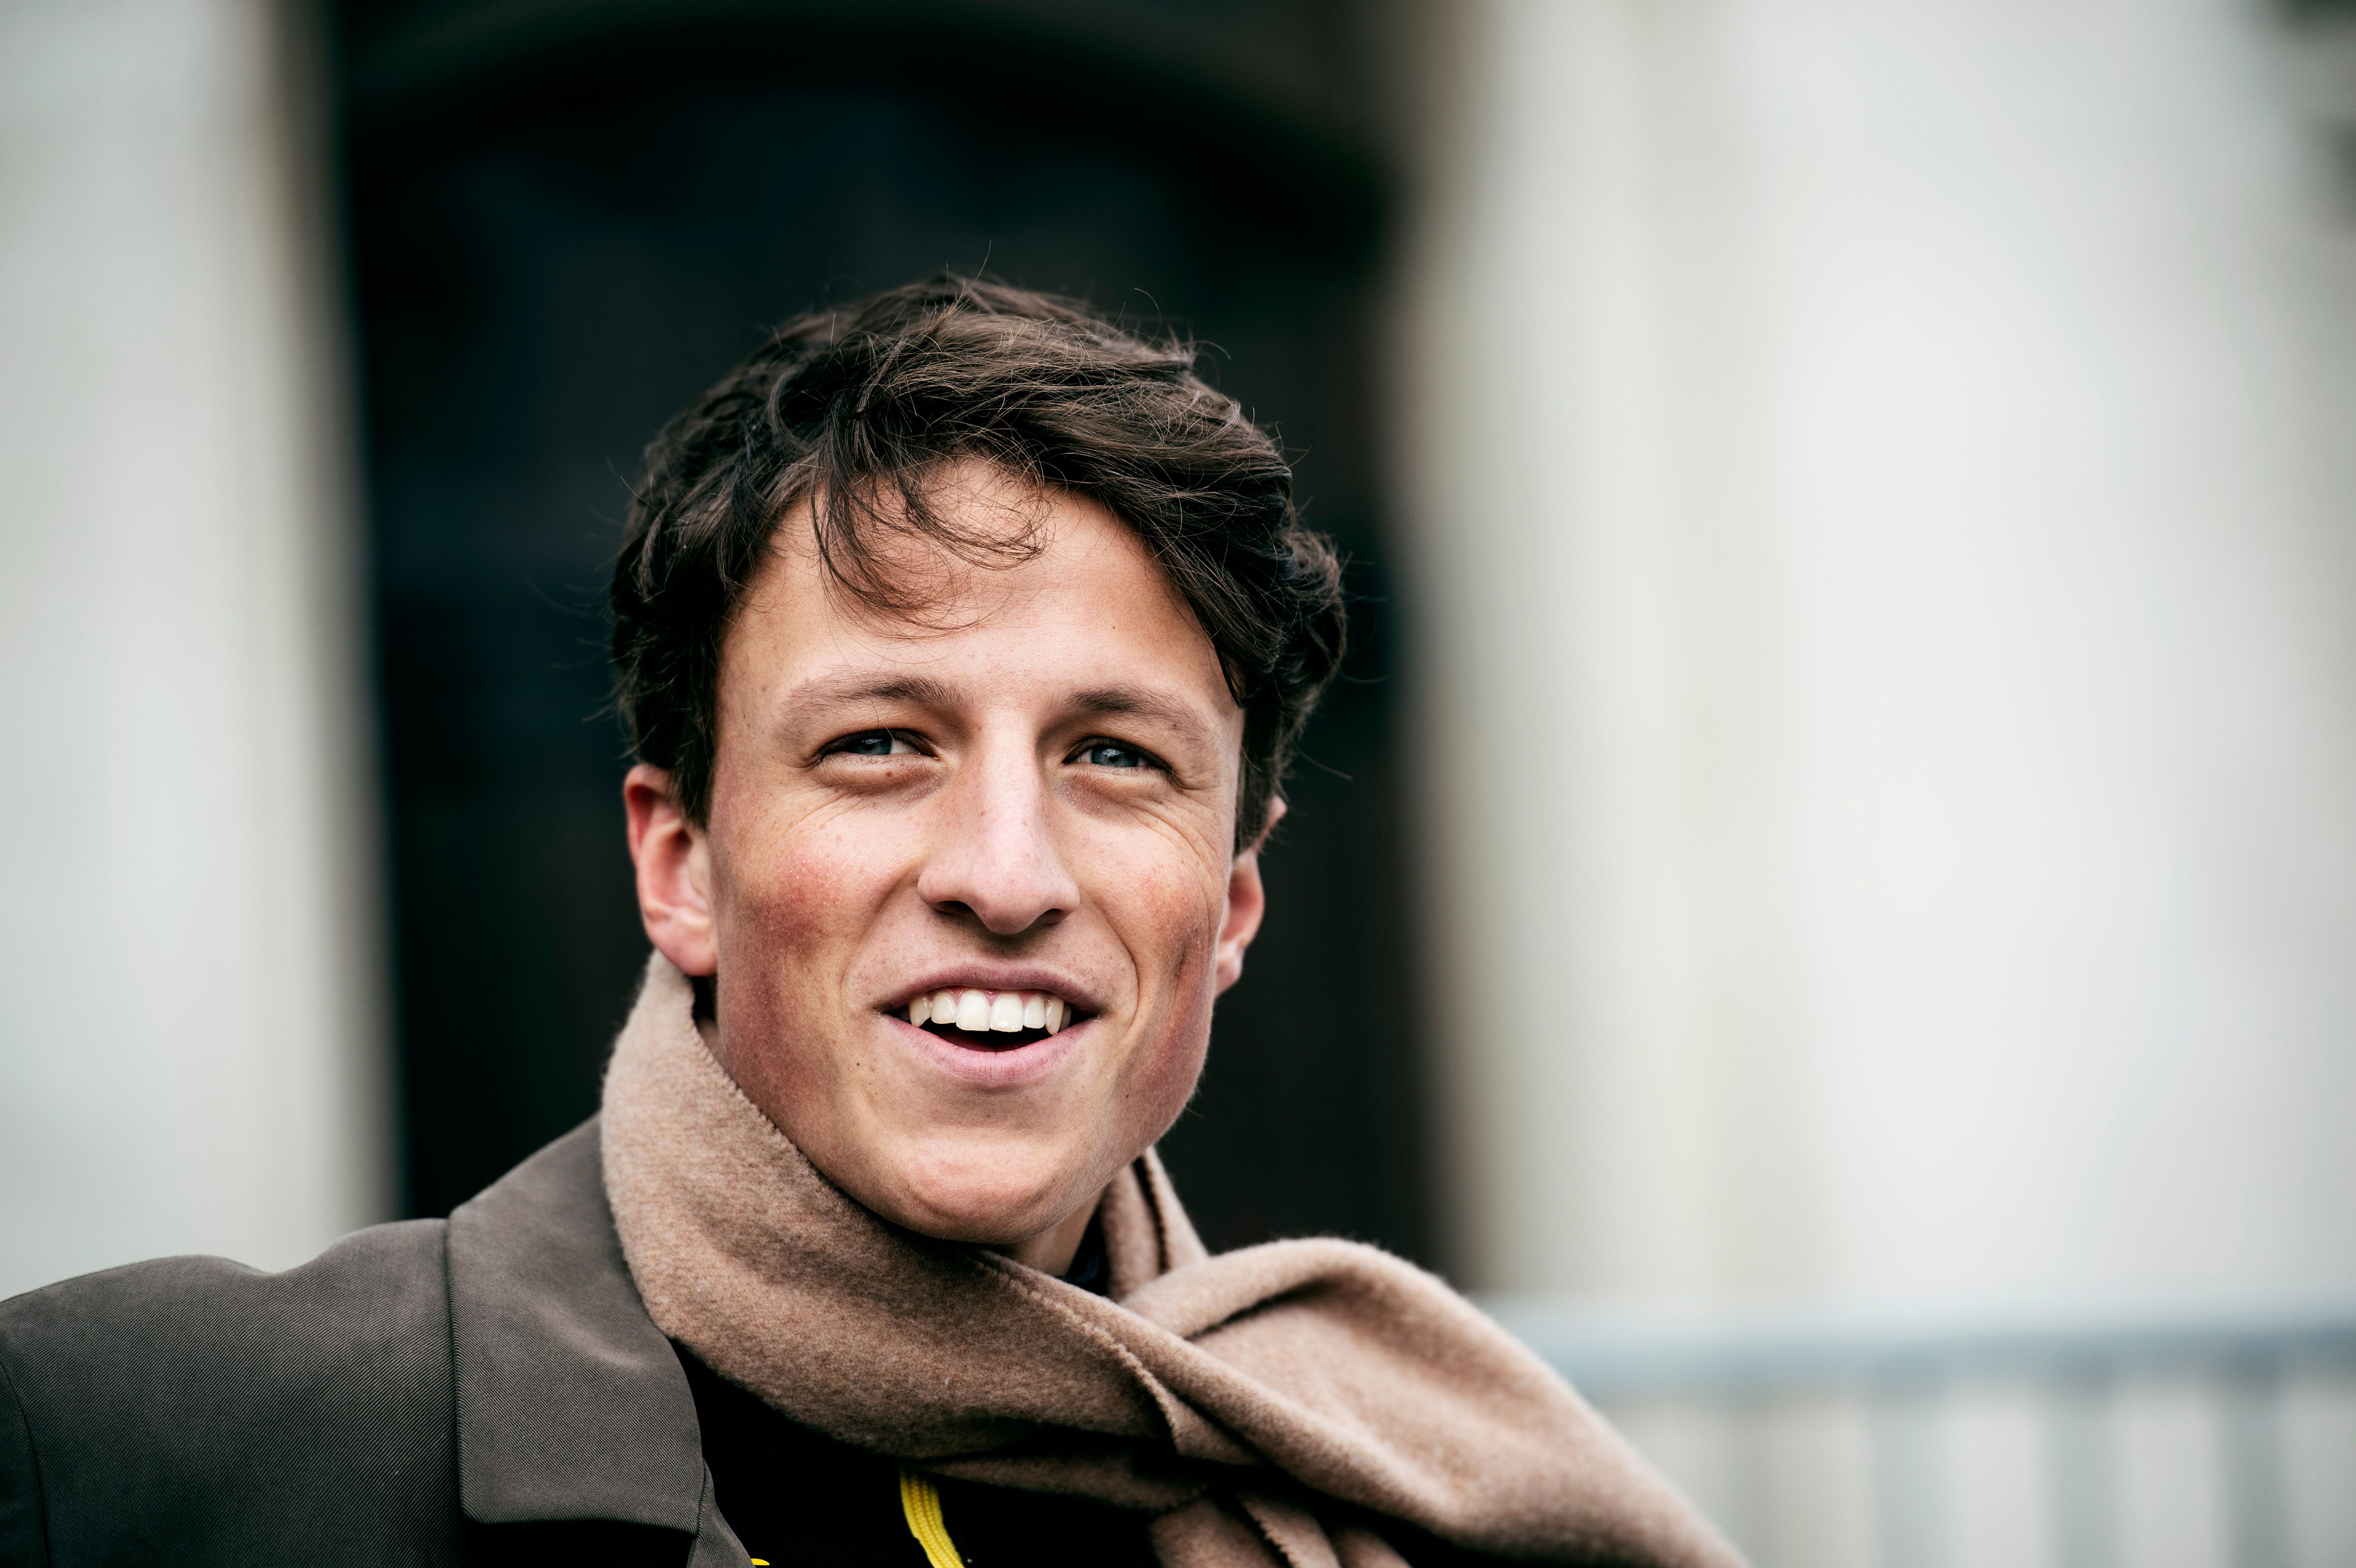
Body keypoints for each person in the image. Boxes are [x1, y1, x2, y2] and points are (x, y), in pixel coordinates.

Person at [0, 280, 1744, 1568]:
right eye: (882, 745)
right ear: (681, 864)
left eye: (1115, 756)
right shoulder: (127, 1455)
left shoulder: (1432, 1490)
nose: (1007, 871)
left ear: (1229, 908)